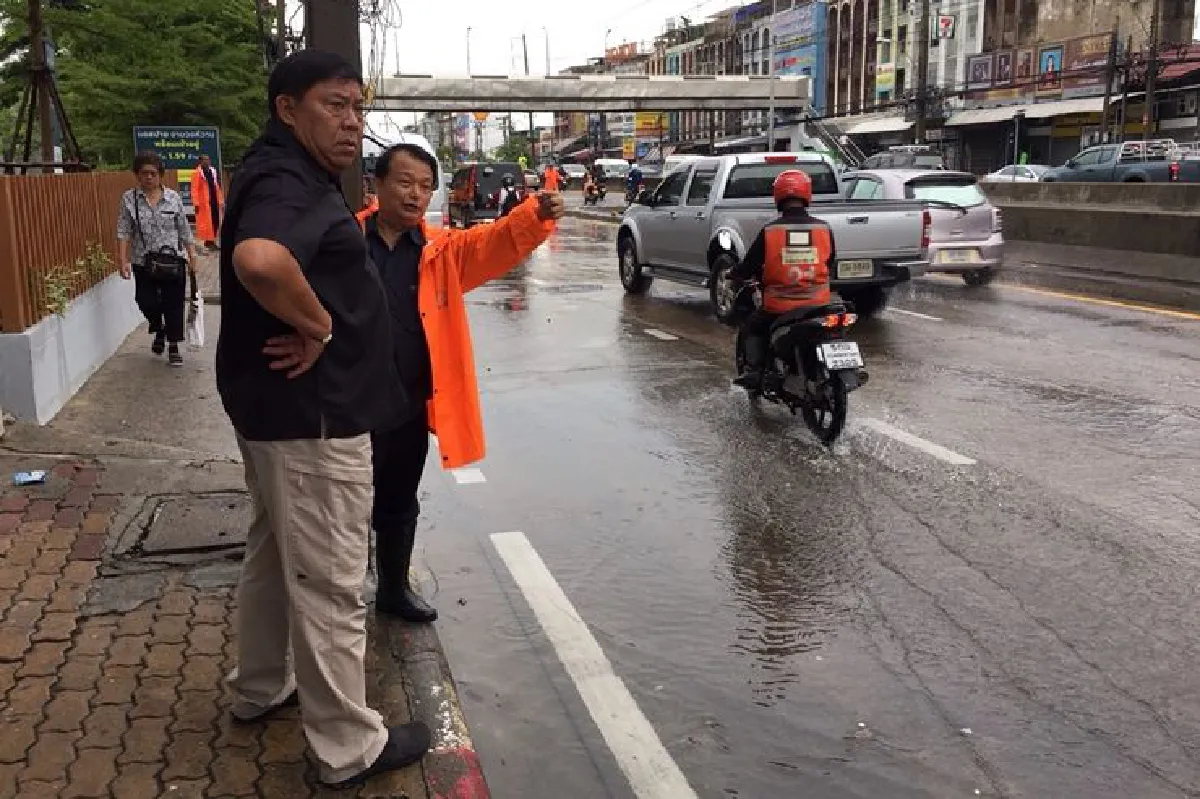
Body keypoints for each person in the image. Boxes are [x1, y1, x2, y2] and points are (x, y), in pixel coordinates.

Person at [215, 49, 430, 788]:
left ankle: (259, 685)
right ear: (288, 109)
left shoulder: (276, 172)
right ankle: (348, 746)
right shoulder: (288, 181)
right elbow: (261, 260)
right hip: (312, 419)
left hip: (277, 412)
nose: (352, 122)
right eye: (335, 105)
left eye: (358, 108)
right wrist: (321, 326)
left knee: (274, 553)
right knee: (332, 581)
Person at [332, 141, 564, 622]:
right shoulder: (344, 241)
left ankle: (393, 591)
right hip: (349, 405)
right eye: (404, 182)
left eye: (425, 186)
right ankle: (339, 600)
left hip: (408, 404)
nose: (415, 194)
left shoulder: (439, 251)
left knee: (399, 500)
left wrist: (535, 215)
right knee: (343, 505)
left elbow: (493, 243)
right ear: (377, 184)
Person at [727, 169, 835, 389]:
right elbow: (830, 261)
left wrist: (735, 273)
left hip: (780, 307)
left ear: (778, 196)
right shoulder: (823, 229)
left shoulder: (771, 231)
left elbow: (749, 266)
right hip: (819, 305)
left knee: (751, 328)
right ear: (807, 194)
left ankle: (754, 372)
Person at [117, 150, 198, 367]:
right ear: (137, 174)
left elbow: (184, 228)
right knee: (145, 301)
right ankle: (159, 328)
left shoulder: (173, 198)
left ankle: (173, 346)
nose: (149, 177)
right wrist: (123, 260)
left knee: (173, 303)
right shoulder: (129, 199)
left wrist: (192, 254)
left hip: (173, 260)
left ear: (160, 174)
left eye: (153, 173)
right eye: (144, 173)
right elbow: (124, 230)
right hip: (143, 261)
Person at [192, 154, 224, 250]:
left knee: (215, 221)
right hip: (204, 203)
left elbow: (216, 187)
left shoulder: (212, 172)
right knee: (207, 223)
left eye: (208, 159)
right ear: (200, 162)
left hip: (214, 200)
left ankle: (211, 241)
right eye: (204, 160)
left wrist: (221, 200)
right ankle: (209, 242)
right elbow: (194, 189)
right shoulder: (197, 173)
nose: (207, 161)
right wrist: (196, 203)